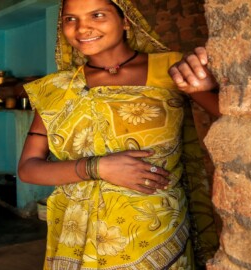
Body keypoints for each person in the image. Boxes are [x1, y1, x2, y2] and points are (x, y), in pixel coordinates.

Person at [18, 0, 220, 269]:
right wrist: (97, 167)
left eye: (97, 15)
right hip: (78, 232)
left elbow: (229, 115)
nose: (82, 28)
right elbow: (29, 169)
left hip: (156, 229)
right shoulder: (55, 89)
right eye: (70, 19)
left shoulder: (171, 68)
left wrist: (208, 86)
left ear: (126, 20)